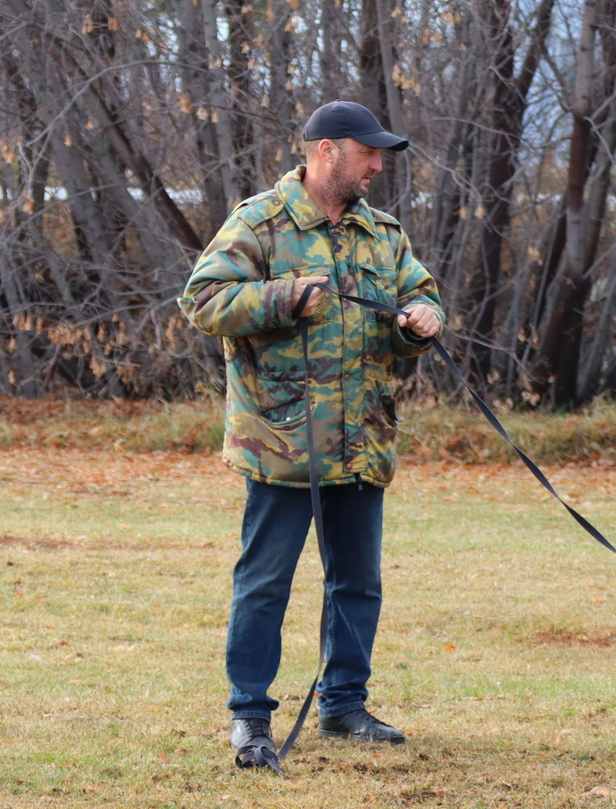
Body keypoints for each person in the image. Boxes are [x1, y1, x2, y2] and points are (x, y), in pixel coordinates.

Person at [178, 101, 444, 768]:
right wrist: (285, 296)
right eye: (370, 153)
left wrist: (419, 317)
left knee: (357, 581)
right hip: (284, 437)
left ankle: (344, 705)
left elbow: (422, 292)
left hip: (362, 436)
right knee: (265, 581)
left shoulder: (380, 232)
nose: (380, 165)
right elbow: (203, 301)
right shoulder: (261, 222)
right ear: (328, 151)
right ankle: (250, 718)